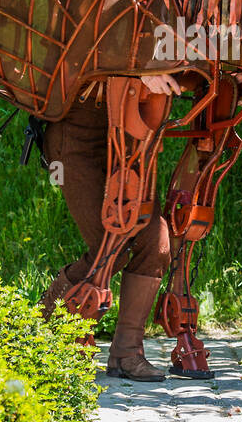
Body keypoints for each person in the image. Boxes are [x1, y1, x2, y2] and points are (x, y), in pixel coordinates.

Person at [36, 73, 181, 382]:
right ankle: (38, 325)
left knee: (156, 243)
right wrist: (139, 72)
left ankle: (127, 354)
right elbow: (90, 44)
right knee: (109, 245)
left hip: (130, 140)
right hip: (74, 136)